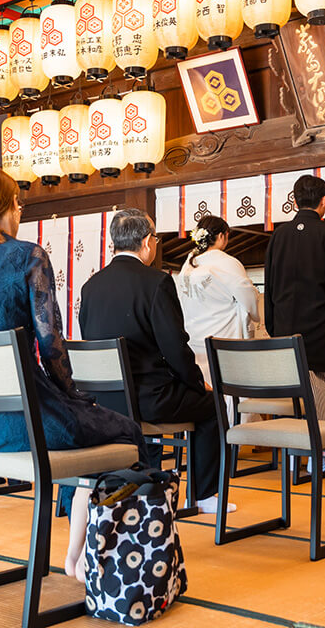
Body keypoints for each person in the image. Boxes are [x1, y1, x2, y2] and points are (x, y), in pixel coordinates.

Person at [0, 165, 143, 583]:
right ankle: (90, 556)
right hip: (29, 421)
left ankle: (78, 551)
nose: (20, 210)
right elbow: (51, 345)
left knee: (82, 428)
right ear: (10, 207)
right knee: (126, 431)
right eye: (18, 203)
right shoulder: (27, 255)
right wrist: (73, 394)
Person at [80, 208, 233, 515]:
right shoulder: (156, 282)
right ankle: (204, 494)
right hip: (149, 400)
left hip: (103, 401)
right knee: (213, 403)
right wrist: (196, 382)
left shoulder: (91, 286)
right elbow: (175, 347)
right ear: (147, 242)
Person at [264, 174, 325, 474]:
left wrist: (274, 329)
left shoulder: (278, 237)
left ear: (295, 201)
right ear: (323, 202)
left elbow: (270, 287)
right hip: (324, 333)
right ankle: (322, 457)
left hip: (287, 335)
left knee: (297, 395)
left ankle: (297, 454)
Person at [175, 214, 260, 385]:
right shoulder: (227, 262)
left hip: (194, 337)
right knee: (227, 386)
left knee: (203, 387)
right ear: (222, 236)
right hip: (222, 335)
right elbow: (248, 296)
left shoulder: (188, 265)